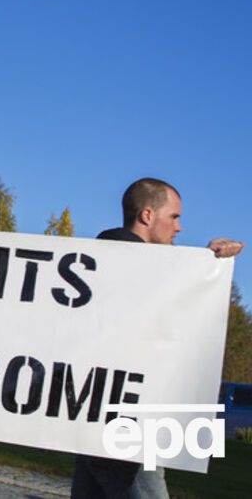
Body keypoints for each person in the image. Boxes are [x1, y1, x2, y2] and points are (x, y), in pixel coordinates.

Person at [71, 177, 243, 499]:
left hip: (96, 422)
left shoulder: (105, 264)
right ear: (147, 216)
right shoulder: (128, 268)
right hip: (129, 428)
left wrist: (207, 265)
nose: (178, 227)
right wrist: (202, 268)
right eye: (174, 217)